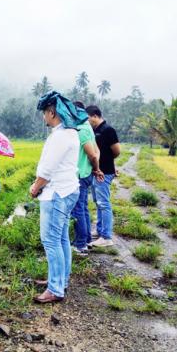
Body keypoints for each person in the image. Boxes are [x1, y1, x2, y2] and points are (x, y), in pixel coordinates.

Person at [30, 91, 81, 303]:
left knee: (50, 240)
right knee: (60, 239)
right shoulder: (71, 133)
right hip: (67, 190)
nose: (44, 117)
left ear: (52, 112)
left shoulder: (60, 136)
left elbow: (47, 170)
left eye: (45, 113)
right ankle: (60, 280)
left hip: (56, 193)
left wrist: (35, 188)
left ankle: (56, 289)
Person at [71, 102, 104, 256]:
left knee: (78, 209)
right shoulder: (87, 127)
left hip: (81, 174)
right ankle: (88, 239)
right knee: (83, 207)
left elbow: (92, 154)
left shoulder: (82, 129)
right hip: (86, 173)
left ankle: (80, 244)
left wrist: (96, 168)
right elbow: (97, 151)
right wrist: (95, 168)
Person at [86, 105, 120, 247]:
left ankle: (106, 236)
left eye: (88, 118)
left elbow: (117, 151)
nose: (87, 122)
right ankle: (100, 231)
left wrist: (108, 163)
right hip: (97, 172)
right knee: (98, 203)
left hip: (104, 172)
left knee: (104, 203)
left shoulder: (108, 130)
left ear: (95, 115)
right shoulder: (95, 130)